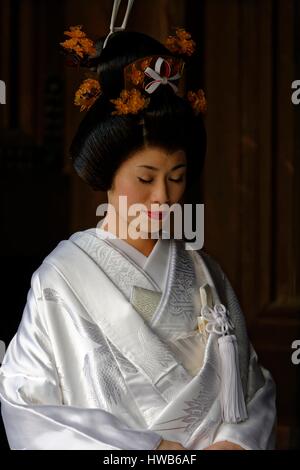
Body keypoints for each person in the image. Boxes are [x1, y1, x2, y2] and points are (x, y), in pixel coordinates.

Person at [0, 1, 276, 451]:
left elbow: (254, 389)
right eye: (145, 179)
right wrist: (151, 451)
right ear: (107, 176)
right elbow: (28, 405)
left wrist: (236, 442)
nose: (163, 198)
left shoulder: (207, 275)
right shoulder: (61, 278)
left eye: (177, 178)